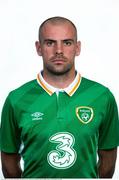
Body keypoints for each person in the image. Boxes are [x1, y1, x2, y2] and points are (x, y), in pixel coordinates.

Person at [0, 16, 119, 178]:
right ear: (38, 48)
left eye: (67, 42)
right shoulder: (16, 99)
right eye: (50, 43)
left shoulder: (102, 96)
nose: (59, 50)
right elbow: (9, 163)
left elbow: (108, 163)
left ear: (77, 48)